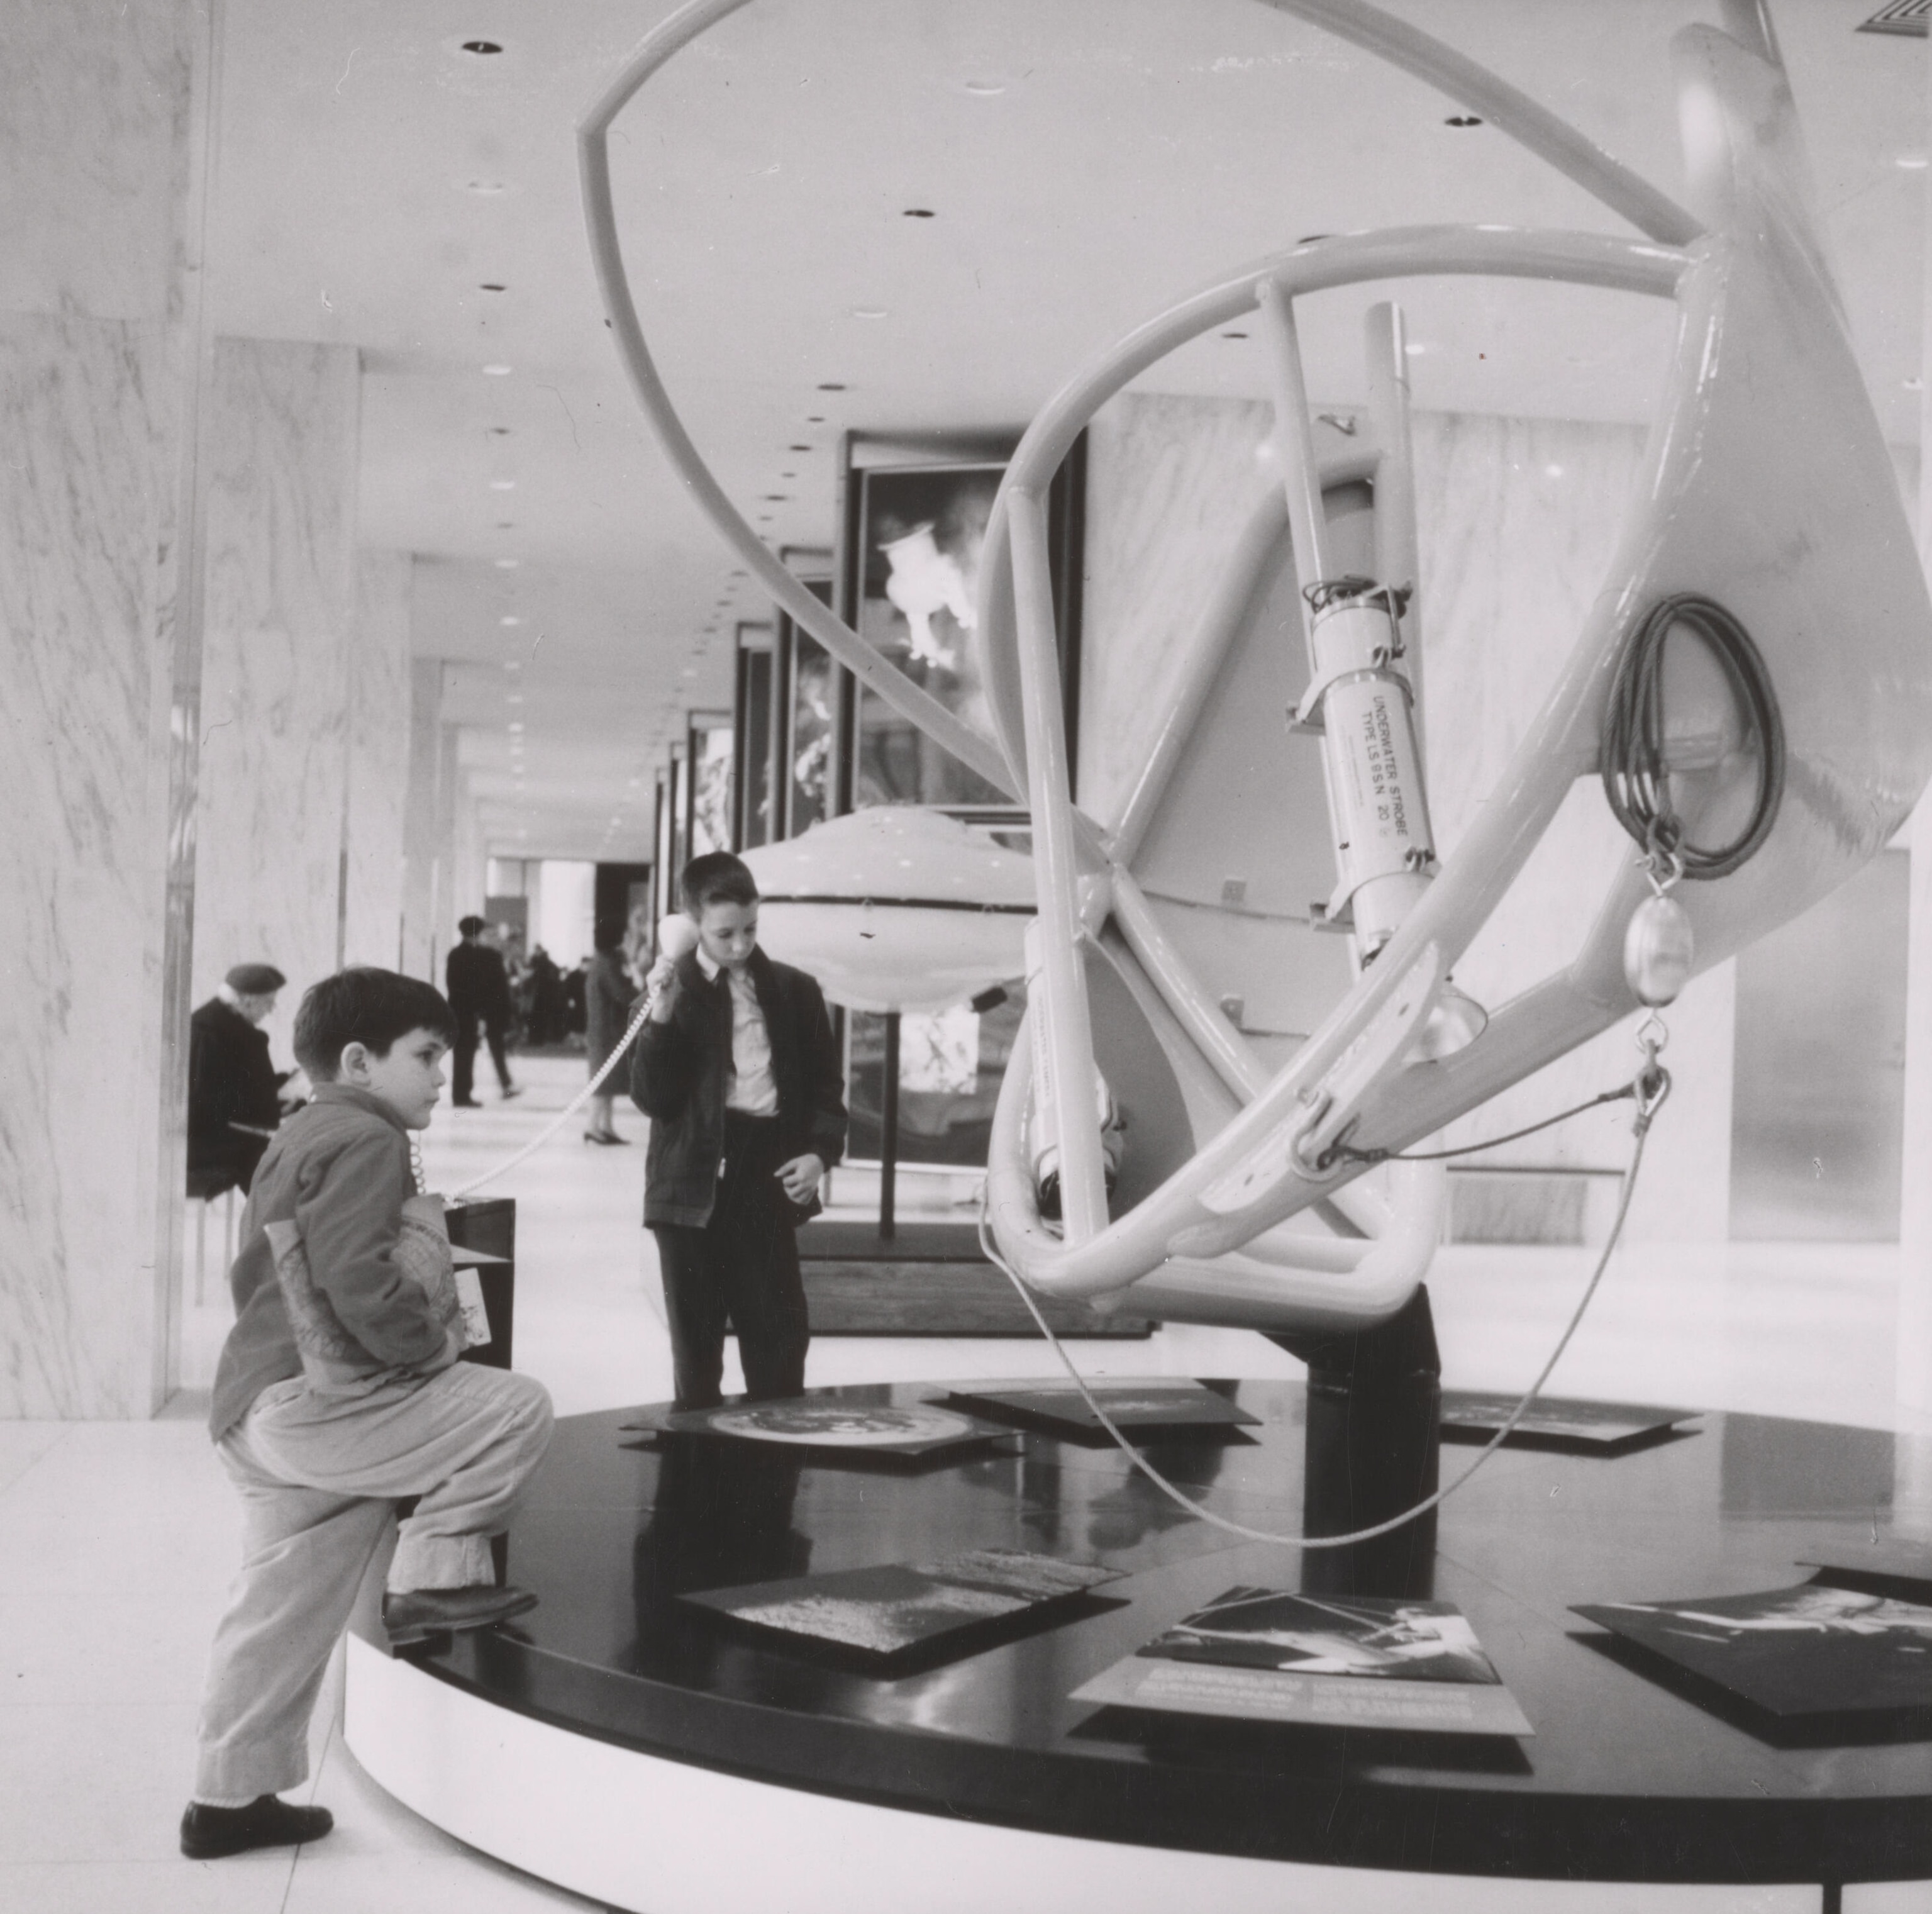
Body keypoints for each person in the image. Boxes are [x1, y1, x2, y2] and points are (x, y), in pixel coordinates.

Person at [182, 968, 553, 1861]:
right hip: (317, 1403)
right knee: (516, 1406)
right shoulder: (368, 1136)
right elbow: (359, 1279)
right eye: (425, 1055)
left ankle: (225, 1800)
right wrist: (428, 1347)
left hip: (255, 1405)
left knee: (281, 1601)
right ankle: (432, 1575)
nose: (437, 1075)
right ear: (357, 1059)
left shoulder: (300, 1129)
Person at [631, 852, 847, 1410]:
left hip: (764, 1174)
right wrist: (660, 1017)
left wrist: (820, 1155)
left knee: (778, 1346)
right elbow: (653, 1098)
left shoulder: (796, 991)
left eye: (750, 929)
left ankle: (769, 1485)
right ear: (691, 926)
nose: (739, 945)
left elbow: (826, 1089)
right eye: (723, 933)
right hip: (689, 1185)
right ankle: (697, 1487)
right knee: (697, 1358)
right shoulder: (668, 992)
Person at [187, 963, 302, 1196]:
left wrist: (278, 1099)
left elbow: (240, 1088)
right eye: (269, 1001)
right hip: (209, 1145)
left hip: (230, 1136)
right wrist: (272, 1106)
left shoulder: (224, 1025)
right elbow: (206, 1102)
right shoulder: (207, 1032)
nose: (271, 1009)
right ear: (248, 1000)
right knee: (282, 1165)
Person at [444, 916, 519, 1106]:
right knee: (494, 1049)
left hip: (461, 1011)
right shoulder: (489, 956)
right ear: (480, 933)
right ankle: (503, 1085)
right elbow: (497, 987)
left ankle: (460, 1094)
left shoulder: (455, 955)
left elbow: (453, 986)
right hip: (487, 1012)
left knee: (463, 1054)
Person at [583, 932, 638, 1145]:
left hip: (604, 1030)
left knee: (607, 1081)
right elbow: (622, 994)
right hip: (607, 1031)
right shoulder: (608, 965)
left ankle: (605, 1126)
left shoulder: (602, 962)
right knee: (602, 1080)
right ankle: (593, 1126)